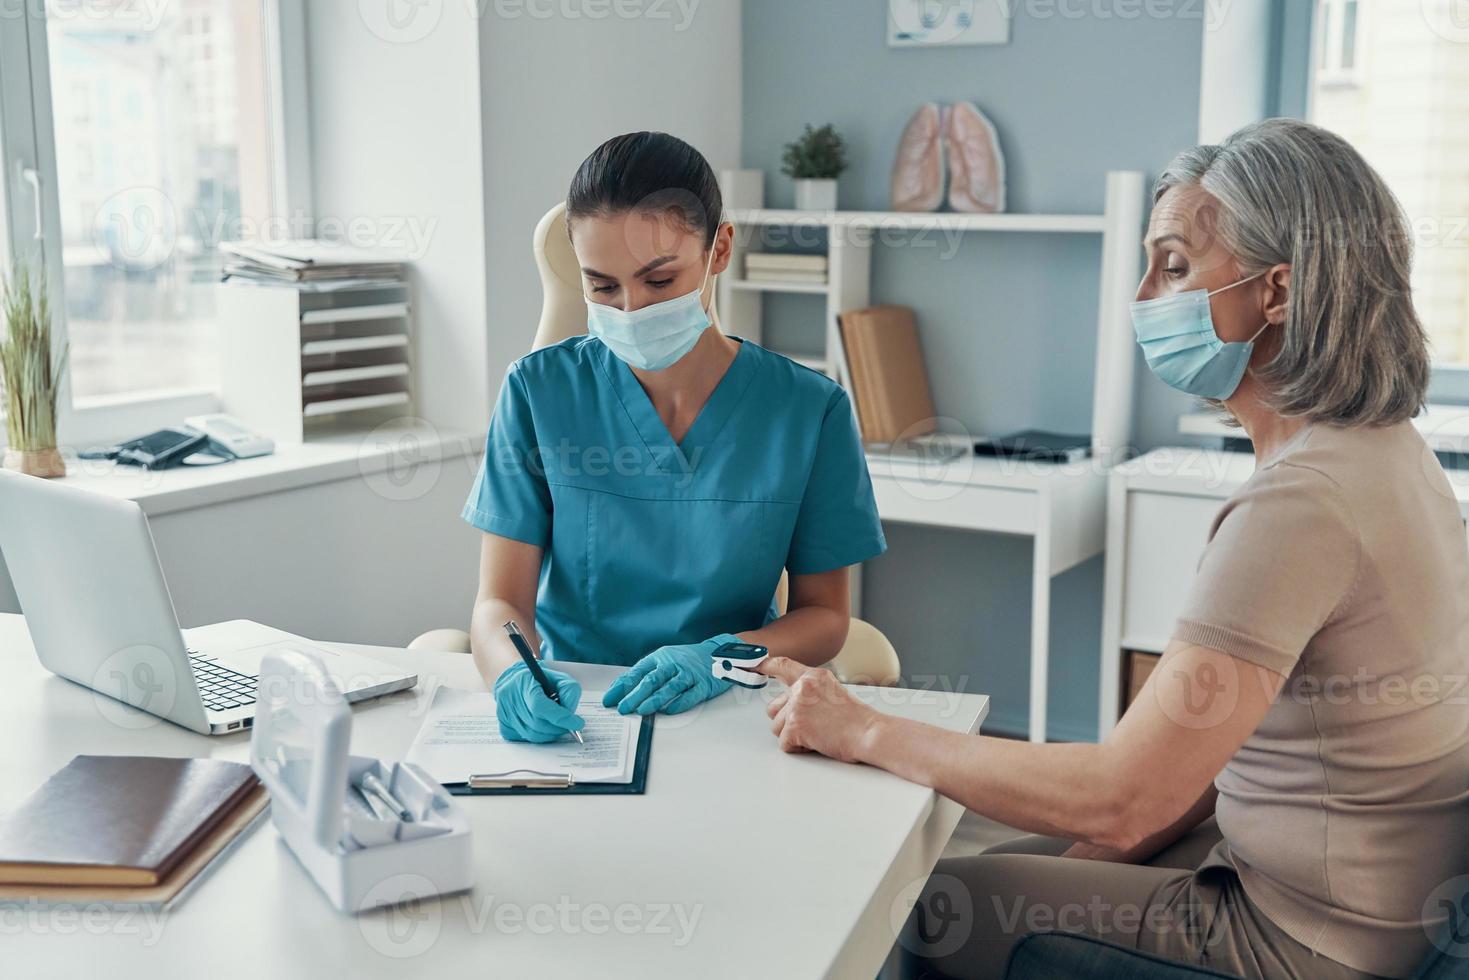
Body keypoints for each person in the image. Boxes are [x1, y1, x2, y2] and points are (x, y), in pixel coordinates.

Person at [757, 118, 1469, 980]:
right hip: (1346, 896)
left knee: (936, 909)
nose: (1140, 297)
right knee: (998, 871)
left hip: (1307, 940)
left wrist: (861, 725)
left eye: (1172, 266)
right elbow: (1182, 776)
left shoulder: (1302, 504)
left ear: (1274, 292)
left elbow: (1127, 796)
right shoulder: (1388, 452)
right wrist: (1072, 859)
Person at [462, 131, 885, 743]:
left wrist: (720, 658)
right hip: (580, 712)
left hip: (734, 709)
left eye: (658, 281)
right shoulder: (539, 391)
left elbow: (824, 618)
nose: (631, 309)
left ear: (720, 250)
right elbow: (497, 604)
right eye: (602, 286)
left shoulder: (807, 409)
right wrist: (512, 677)